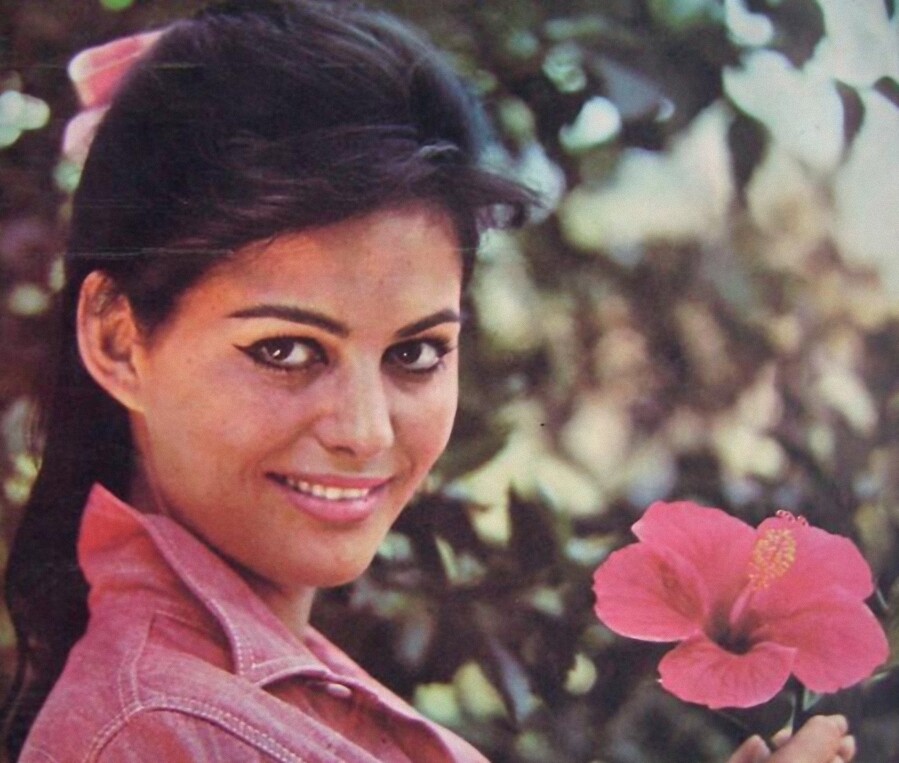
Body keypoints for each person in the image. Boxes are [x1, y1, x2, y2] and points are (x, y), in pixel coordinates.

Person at [0, 1, 858, 761]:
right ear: (118, 341)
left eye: (414, 353)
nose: (366, 431)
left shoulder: (256, 688)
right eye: (286, 350)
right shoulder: (166, 730)